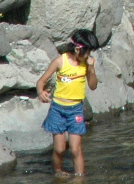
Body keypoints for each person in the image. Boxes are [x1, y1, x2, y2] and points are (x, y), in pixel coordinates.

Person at [36, 29, 100, 177]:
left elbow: (93, 86)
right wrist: (41, 91)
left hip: (76, 110)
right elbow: (41, 81)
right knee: (59, 149)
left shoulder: (85, 64)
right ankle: (58, 172)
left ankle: (79, 177)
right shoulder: (60, 61)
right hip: (58, 109)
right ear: (78, 49)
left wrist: (91, 68)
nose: (89, 55)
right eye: (87, 52)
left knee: (75, 149)